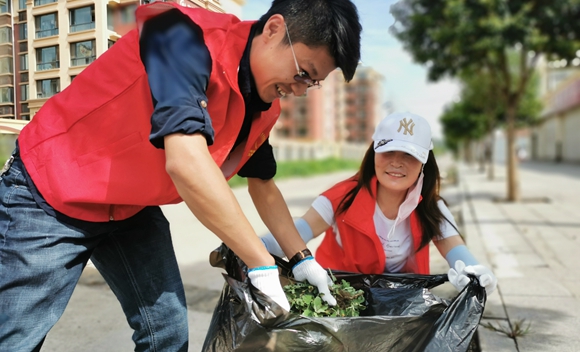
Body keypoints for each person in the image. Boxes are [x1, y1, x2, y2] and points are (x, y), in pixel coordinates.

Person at [0, 1, 361, 350]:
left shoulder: (264, 105)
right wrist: (260, 262)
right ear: (273, 29)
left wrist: (301, 258)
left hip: (129, 207)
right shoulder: (179, 34)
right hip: (50, 192)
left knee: (168, 331)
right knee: (16, 336)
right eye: (302, 73)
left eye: (311, 84)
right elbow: (186, 162)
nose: (298, 90)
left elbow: (262, 184)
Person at [261, 112, 497, 294]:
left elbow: (454, 247)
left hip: (400, 299)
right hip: (339, 293)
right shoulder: (342, 196)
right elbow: (300, 230)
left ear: (424, 163)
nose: (396, 163)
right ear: (373, 152)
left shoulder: (431, 207)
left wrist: (473, 270)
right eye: (388, 151)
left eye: (409, 155)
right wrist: (256, 246)